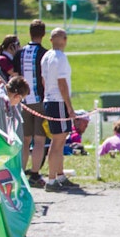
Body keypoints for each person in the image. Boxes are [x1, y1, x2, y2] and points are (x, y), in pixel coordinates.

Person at [40, 28, 79, 190]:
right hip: (58, 101)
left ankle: (60, 175)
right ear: (64, 40)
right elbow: (62, 83)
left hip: (49, 99)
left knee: (60, 141)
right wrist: (69, 106)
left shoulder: (46, 57)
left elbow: (43, 80)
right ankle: (51, 179)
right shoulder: (60, 57)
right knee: (58, 142)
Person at [14, 20, 49, 188]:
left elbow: (14, 75)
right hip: (40, 102)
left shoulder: (19, 53)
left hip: (22, 102)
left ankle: (20, 174)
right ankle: (34, 174)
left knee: (25, 140)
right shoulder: (44, 54)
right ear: (43, 34)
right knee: (39, 140)